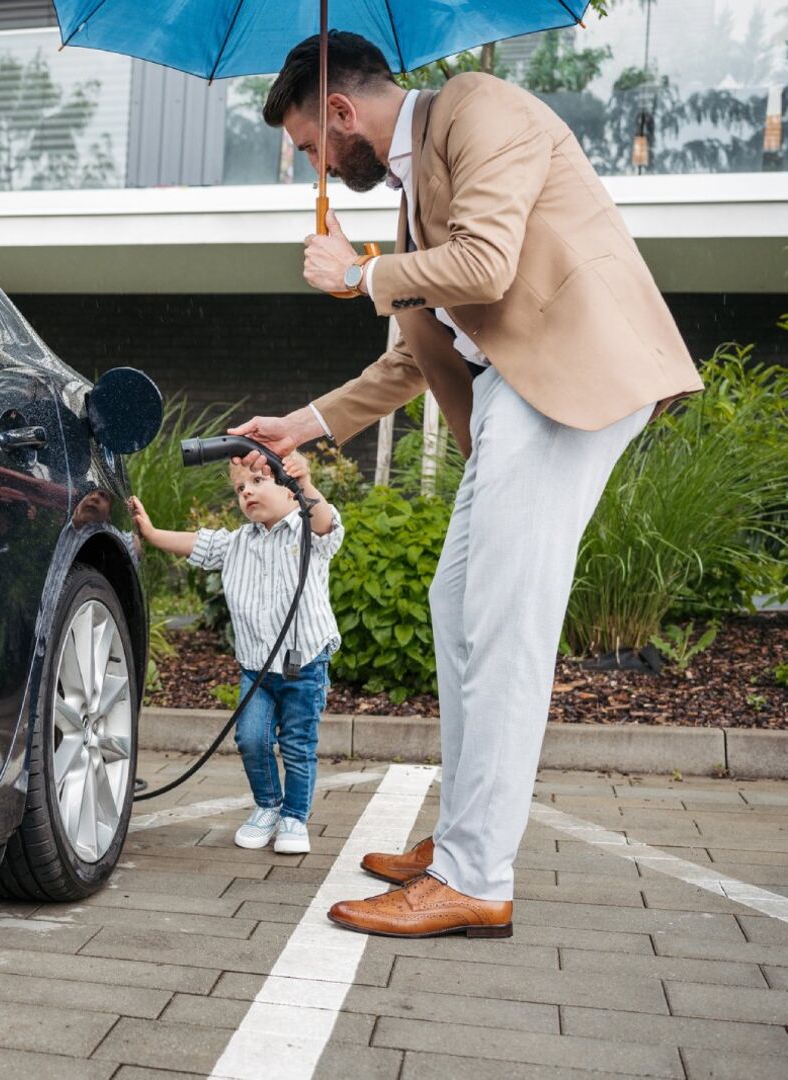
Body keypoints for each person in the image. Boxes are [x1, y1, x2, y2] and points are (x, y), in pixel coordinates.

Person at [241, 32, 703, 937]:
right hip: (512, 400)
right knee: (455, 604)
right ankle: (461, 836)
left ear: (340, 113)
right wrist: (303, 423)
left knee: (502, 619)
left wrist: (361, 271)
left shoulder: (479, 109)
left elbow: (488, 265)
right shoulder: (417, 194)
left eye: (307, 148)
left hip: (564, 385)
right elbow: (411, 360)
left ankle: (473, 874)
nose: (312, 170)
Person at [129, 452, 342, 855]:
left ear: (290, 490)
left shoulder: (306, 530)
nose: (247, 492)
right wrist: (153, 532)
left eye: (258, 481)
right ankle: (268, 806)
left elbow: (326, 522)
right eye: (240, 489)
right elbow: (195, 543)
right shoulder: (236, 543)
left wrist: (308, 483)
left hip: (305, 663)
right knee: (250, 738)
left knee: (297, 744)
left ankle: (295, 818)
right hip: (257, 668)